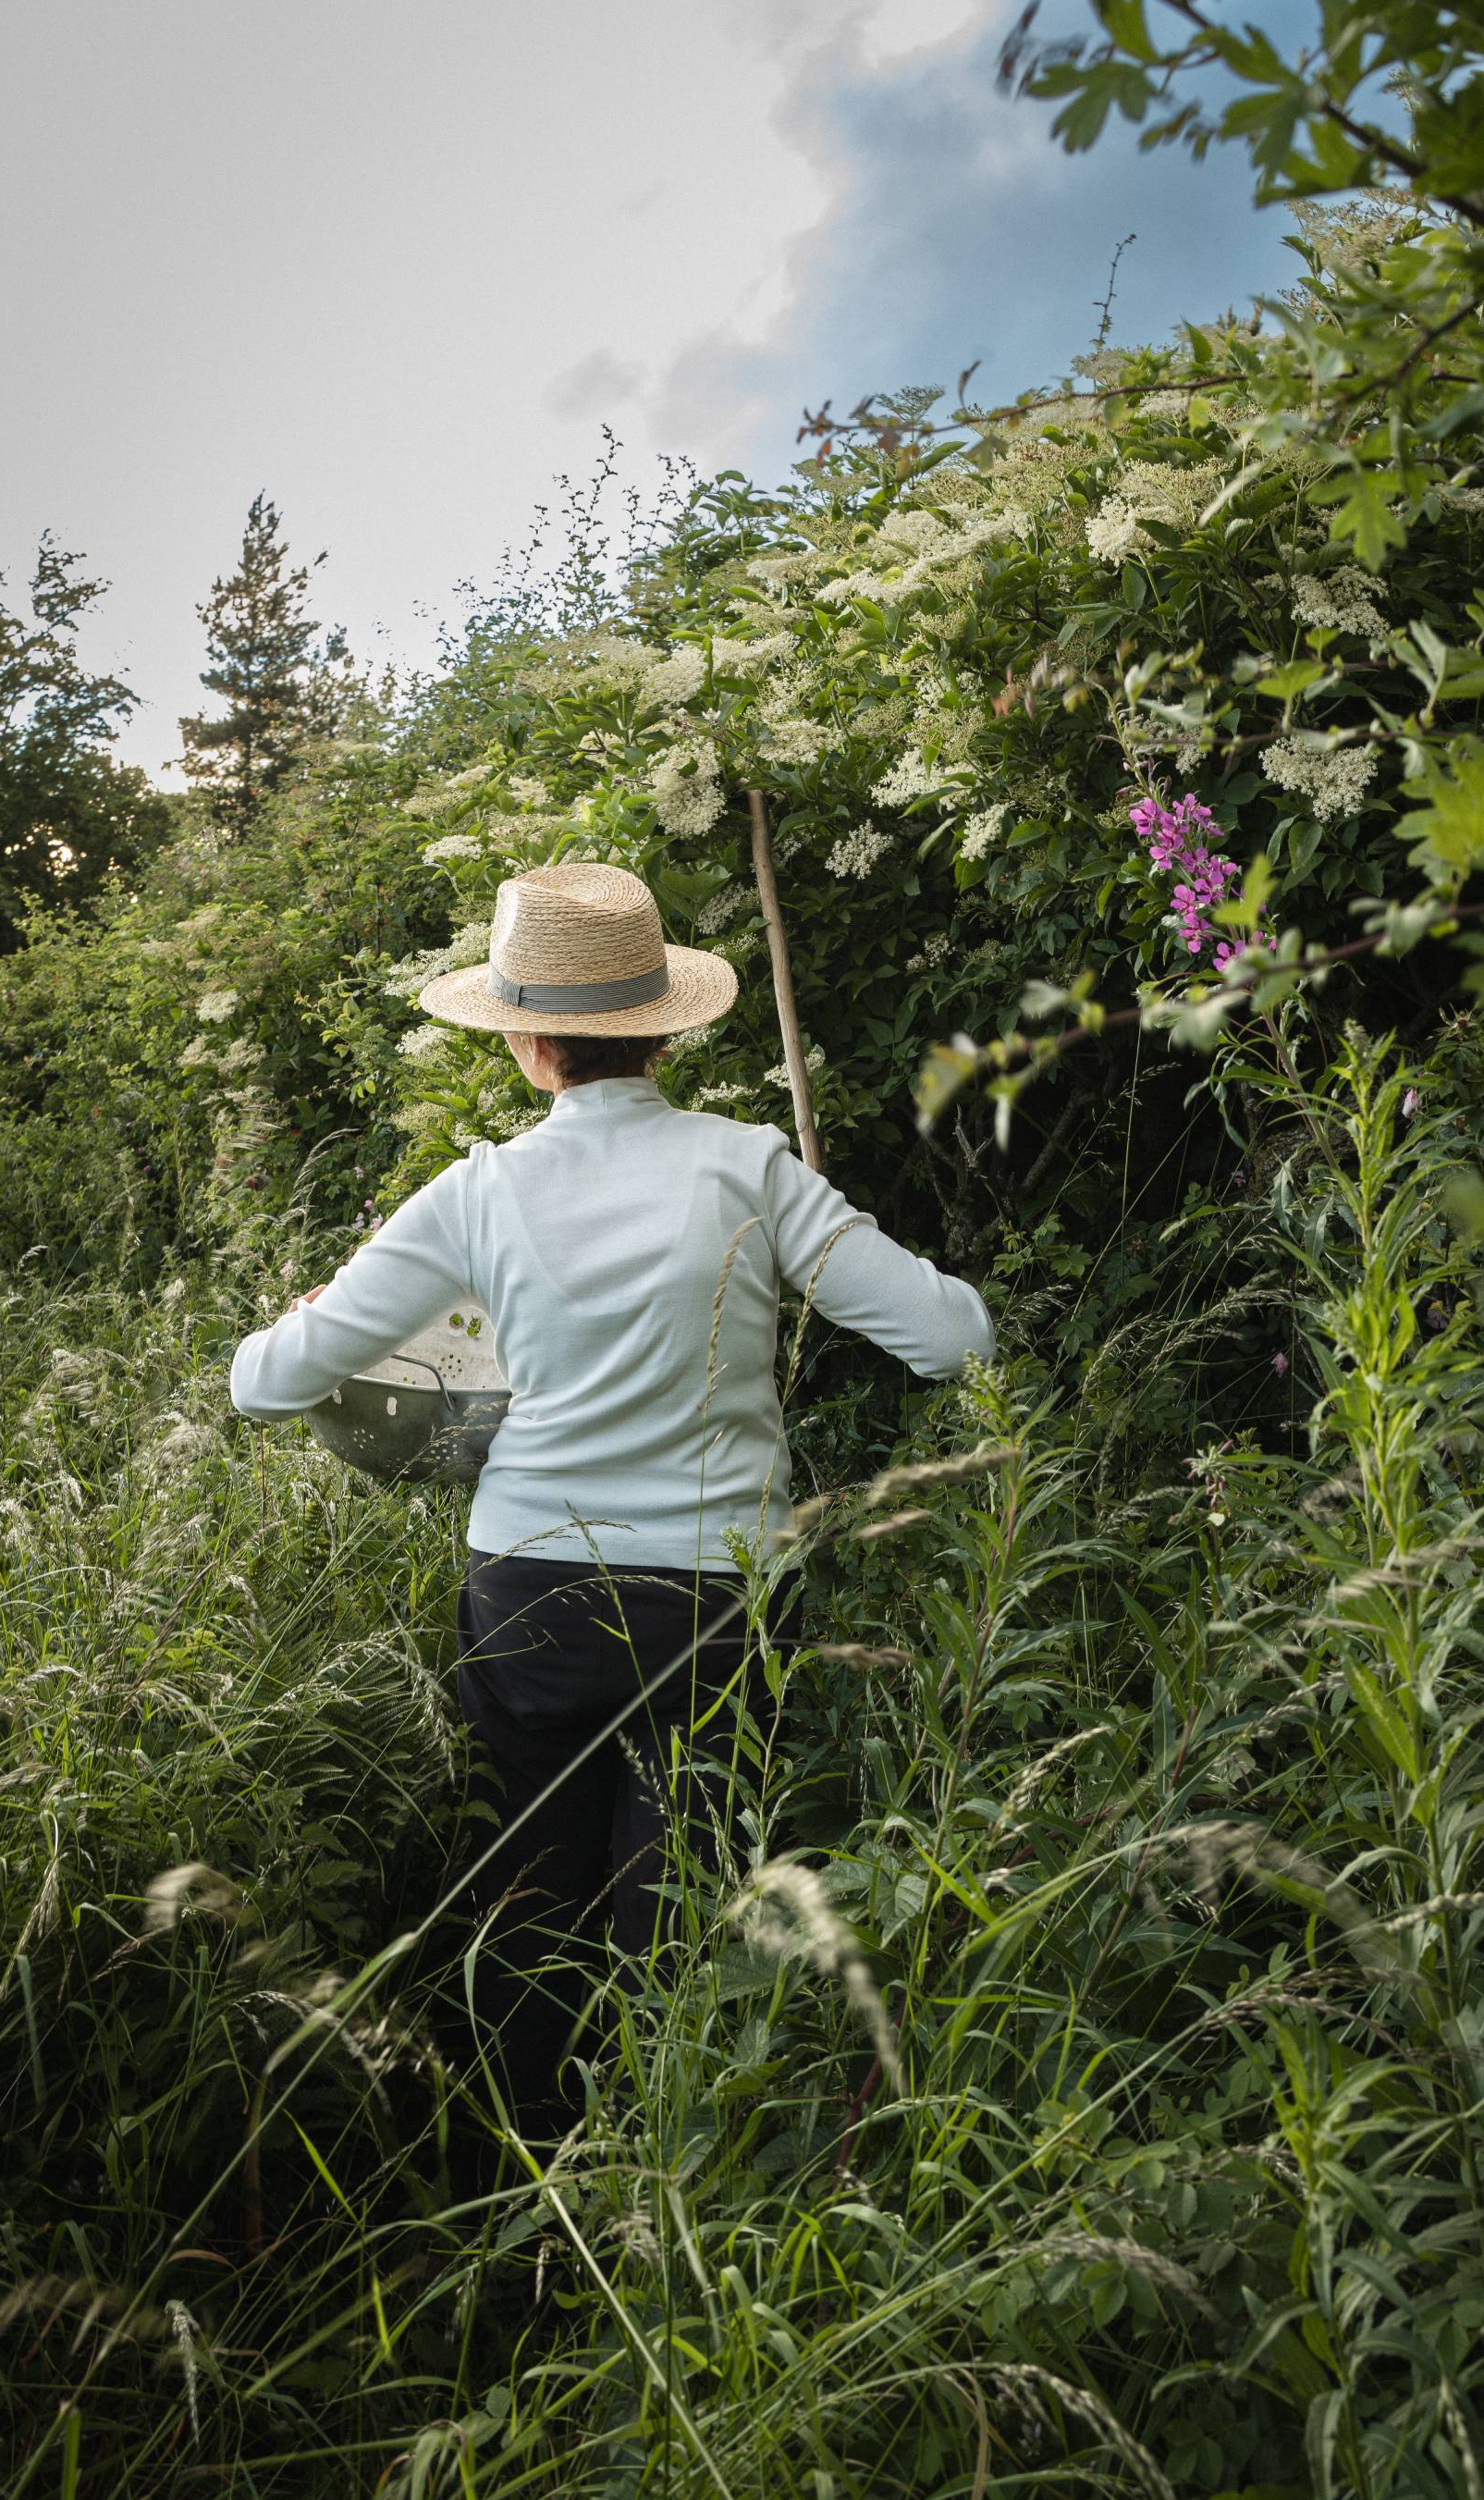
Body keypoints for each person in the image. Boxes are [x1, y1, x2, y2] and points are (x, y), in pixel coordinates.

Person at [228, 859, 995, 2143]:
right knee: (680, 1920)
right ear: (665, 1025)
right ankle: (664, 2192)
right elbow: (953, 1335)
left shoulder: (478, 1191)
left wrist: (306, 1316)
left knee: (528, 1908)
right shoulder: (746, 1166)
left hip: (527, 1591)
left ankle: (518, 2205)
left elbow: (265, 1384)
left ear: (530, 1044)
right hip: (718, 1593)